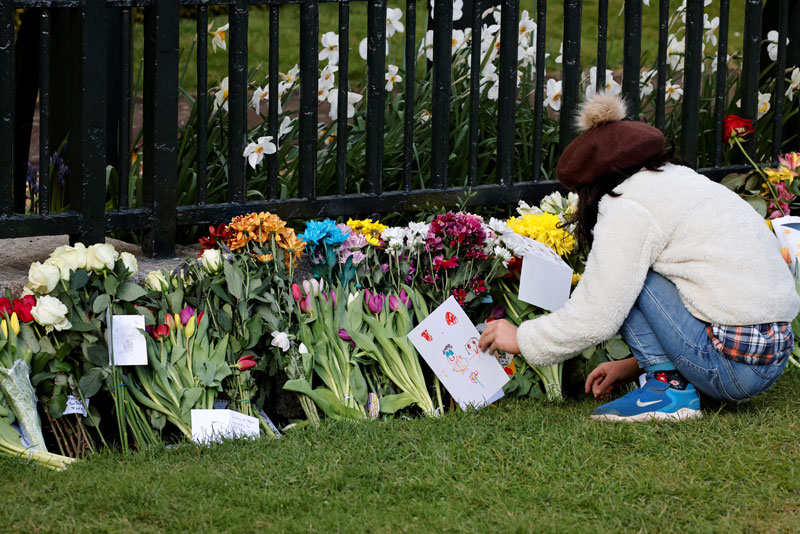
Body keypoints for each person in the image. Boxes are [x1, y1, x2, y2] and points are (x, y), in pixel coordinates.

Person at [479, 92, 800, 422]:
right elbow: (708, 296)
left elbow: (598, 313)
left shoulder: (628, 206)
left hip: (731, 369)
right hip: (770, 356)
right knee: (649, 271)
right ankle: (665, 379)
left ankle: (667, 389)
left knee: (631, 275)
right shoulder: (683, 182)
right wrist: (631, 366)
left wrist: (521, 337)